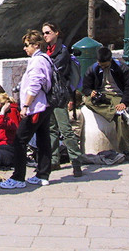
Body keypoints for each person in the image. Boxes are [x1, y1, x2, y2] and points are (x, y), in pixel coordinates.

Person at [0, 29, 54, 189]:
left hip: (35, 108)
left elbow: (35, 84)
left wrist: (25, 106)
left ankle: (18, 177)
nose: (25, 48)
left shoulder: (37, 61)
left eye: (27, 45)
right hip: (45, 106)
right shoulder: (46, 59)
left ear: (36, 45)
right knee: (43, 139)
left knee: (19, 141)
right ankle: (43, 175)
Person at [42, 21, 83, 177]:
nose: (45, 35)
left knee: (65, 129)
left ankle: (76, 161)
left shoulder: (62, 52)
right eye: (44, 33)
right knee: (51, 128)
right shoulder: (45, 51)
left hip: (59, 95)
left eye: (48, 32)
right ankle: (54, 160)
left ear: (56, 33)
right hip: (48, 95)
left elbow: (54, 70)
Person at [82, 47, 129, 163]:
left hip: (117, 95)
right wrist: (90, 92)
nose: (102, 67)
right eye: (101, 65)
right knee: (87, 101)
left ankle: (126, 150)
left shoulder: (121, 68)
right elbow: (85, 87)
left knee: (121, 118)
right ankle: (113, 112)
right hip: (102, 95)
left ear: (110, 61)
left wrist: (124, 102)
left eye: (105, 66)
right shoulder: (92, 69)